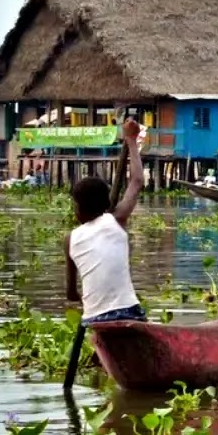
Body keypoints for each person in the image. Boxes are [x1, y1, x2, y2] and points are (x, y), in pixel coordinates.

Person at [65, 119, 146, 327]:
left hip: (93, 318)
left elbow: (71, 293)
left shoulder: (70, 239)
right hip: (128, 312)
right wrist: (131, 140)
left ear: (79, 210)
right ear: (106, 203)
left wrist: (84, 297)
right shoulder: (116, 220)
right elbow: (137, 181)